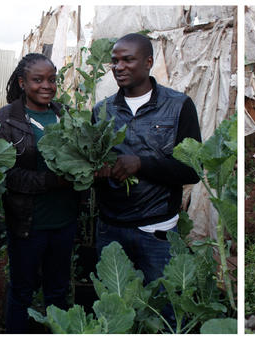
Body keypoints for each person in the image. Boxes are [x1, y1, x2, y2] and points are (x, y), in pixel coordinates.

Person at [93, 33, 201, 284]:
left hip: (157, 229)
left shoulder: (178, 106)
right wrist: (97, 172)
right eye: (115, 61)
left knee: (164, 308)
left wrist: (141, 164)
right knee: (115, 306)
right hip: (111, 228)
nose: (119, 67)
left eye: (128, 60)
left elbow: (192, 171)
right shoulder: (101, 111)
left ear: (148, 62)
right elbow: (93, 164)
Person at [0, 53, 81, 334]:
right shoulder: (8, 119)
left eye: (52, 80)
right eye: (38, 80)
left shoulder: (63, 114)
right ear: (22, 82)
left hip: (64, 221)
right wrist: (51, 181)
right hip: (28, 224)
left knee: (57, 290)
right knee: (22, 290)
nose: (47, 85)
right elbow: (4, 174)